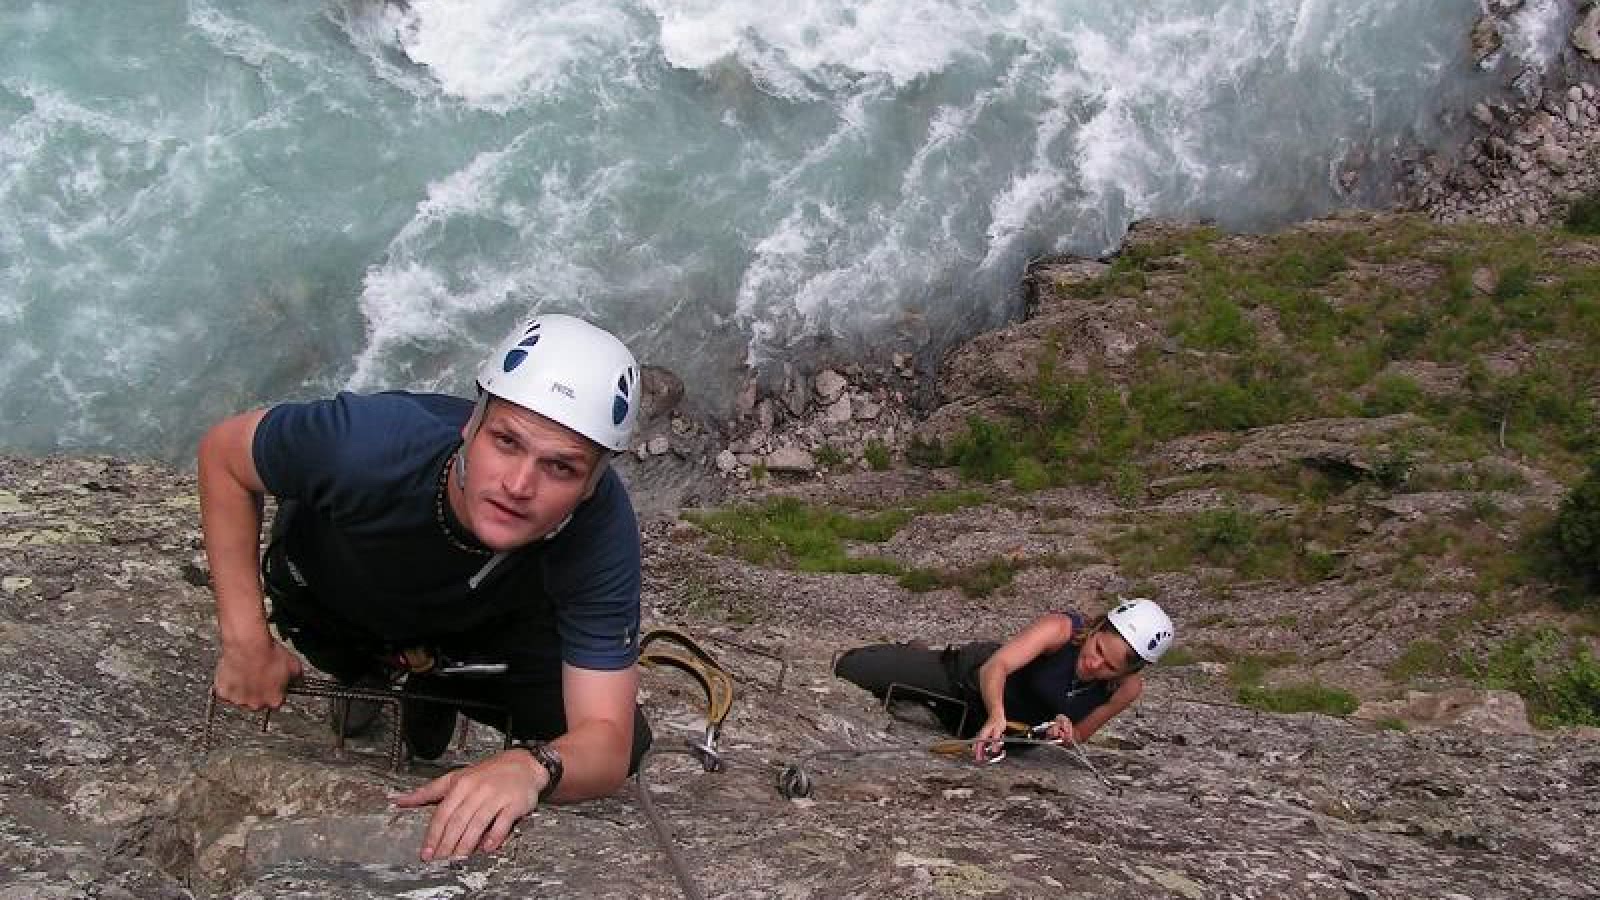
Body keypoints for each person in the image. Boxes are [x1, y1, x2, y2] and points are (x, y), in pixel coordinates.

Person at [197, 312, 649, 862]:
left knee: (631, 740)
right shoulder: (371, 445)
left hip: (479, 636)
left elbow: (605, 737)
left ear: (591, 485)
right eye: (506, 442)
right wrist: (246, 640)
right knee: (348, 630)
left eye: (560, 468)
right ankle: (377, 675)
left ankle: (423, 683)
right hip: (338, 600)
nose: (518, 485)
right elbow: (224, 455)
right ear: (471, 425)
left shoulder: (600, 530)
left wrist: (532, 767)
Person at [833, 599, 1174, 762]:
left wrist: (1064, 730)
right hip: (965, 683)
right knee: (852, 669)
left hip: (1010, 733)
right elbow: (995, 667)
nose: (1093, 664)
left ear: (1129, 673)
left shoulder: (1127, 690)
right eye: (1098, 648)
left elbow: (1080, 735)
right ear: (1097, 628)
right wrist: (996, 713)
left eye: (1109, 667)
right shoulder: (1061, 629)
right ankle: (915, 654)